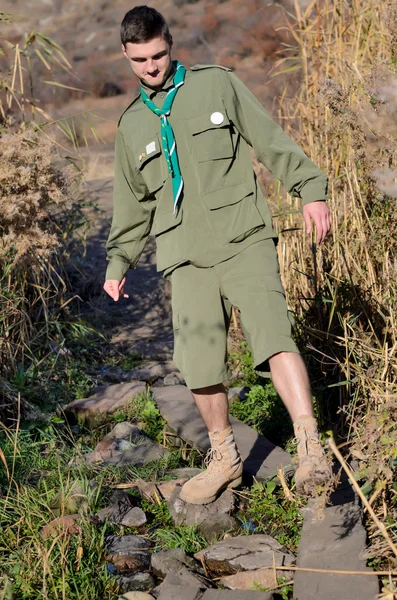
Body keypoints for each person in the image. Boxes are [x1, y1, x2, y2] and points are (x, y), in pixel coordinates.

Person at [104, 5, 332, 504]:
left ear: (171, 43)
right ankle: (225, 457)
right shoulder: (131, 126)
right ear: (125, 54)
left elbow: (269, 140)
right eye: (140, 60)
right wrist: (118, 262)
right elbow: (133, 203)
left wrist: (310, 188)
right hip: (184, 255)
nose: (152, 68)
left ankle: (312, 447)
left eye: (159, 55)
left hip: (243, 236)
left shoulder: (217, 86)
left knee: (274, 335)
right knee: (200, 362)